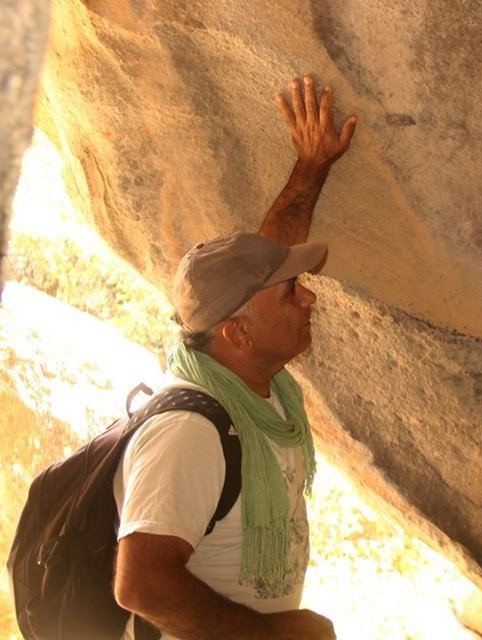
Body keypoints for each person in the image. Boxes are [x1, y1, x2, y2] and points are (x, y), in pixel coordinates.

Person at [111, 76, 357, 640]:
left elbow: (262, 265)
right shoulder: (190, 431)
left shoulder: (238, 373)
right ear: (239, 333)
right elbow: (141, 584)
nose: (310, 296)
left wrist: (312, 165)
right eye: (292, 292)